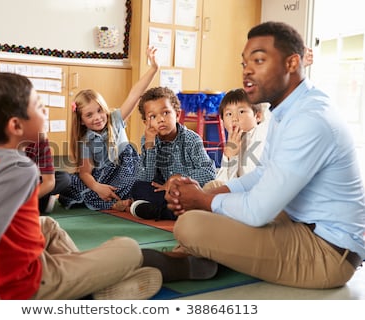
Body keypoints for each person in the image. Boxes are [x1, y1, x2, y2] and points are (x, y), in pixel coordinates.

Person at [144, 21, 365, 289]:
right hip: (295, 222)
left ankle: (188, 256)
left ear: (292, 64)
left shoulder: (310, 118)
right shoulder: (285, 111)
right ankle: (195, 258)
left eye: (259, 60)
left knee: (190, 226)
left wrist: (202, 200)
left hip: (326, 252)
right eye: (244, 63)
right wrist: (211, 193)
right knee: (215, 187)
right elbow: (262, 173)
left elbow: (258, 210)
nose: (247, 70)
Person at [0, 72, 162, 300]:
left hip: (19, 263)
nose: (45, 111)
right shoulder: (19, 171)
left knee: (49, 225)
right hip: (31, 282)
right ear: (15, 125)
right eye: (38, 106)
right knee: (129, 248)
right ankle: (86, 288)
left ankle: (92, 287)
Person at [58, 47, 159, 211]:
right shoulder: (86, 141)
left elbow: (135, 94)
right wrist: (98, 187)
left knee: (142, 179)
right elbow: (85, 173)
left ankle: (124, 201)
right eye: (89, 115)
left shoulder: (115, 120)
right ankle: (117, 203)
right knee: (76, 185)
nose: (97, 117)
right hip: (104, 179)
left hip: (127, 173)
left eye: (99, 111)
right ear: (82, 121)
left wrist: (154, 68)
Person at [129, 86, 217, 220]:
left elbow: (209, 173)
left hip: (186, 190)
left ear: (177, 114)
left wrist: (177, 179)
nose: (161, 119)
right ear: (146, 123)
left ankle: (158, 211)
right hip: (164, 192)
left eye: (165, 113)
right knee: (137, 187)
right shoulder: (148, 139)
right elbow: (146, 177)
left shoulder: (191, 139)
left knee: (195, 194)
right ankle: (173, 211)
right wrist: (150, 145)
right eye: (153, 116)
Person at [203, 88, 268, 187]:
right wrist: (231, 156)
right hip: (237, 191)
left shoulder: (261, 133)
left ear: (258, 116)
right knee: (211, 186)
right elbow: (224, 182)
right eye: (229, 114)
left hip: (257, 190)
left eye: (241, 112)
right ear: (223, 121)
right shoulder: (233, 140)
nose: (234, 118)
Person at [24, 134, 72, 214]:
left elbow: (49, 181)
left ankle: (31, 203)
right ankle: (40, 202)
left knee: (63, 178)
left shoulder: (40, 139)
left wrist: (24, 201)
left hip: (29, 184)